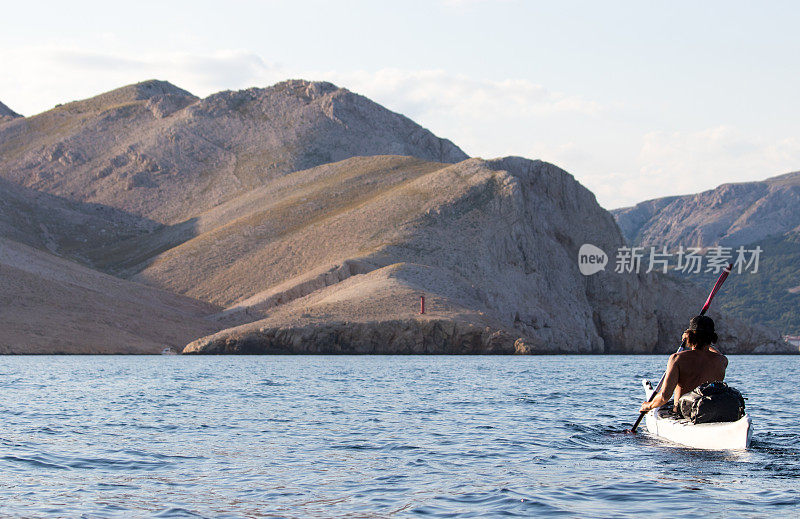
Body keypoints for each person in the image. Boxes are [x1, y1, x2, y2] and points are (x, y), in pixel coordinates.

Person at [639, 315, 727, 415]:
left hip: (684, 413)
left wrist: (648, 406)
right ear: (712, 337)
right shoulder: (722, 361)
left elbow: (664, 397)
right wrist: (705, 340)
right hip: (710, 413)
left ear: (689, 336)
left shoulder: (677, 359)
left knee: (665, 406)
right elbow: (716, 352)